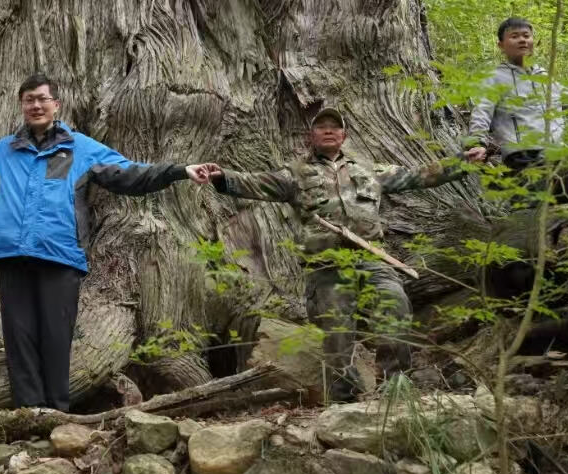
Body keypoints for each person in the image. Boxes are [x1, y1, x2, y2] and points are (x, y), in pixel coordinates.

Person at [0, 73, 200, 411]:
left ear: (56, 105)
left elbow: (132, 174)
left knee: (56, 338)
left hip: (60, 256)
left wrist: (179, 171)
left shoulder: (81, 148)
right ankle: (29, 414)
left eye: (42, 99)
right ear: (22, 106)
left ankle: (57, 413)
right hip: (12, 256)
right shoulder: (3, 151)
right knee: (20, 339)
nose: (36, 105)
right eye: (29, 100)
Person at [189, 108, 486, 401]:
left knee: (395, 304)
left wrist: (462, 162)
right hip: (326, 266)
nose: (328, 130)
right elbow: (255, 182)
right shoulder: (295, 173)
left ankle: (395, 388)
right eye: (321, 126)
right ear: (311, 135)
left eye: (335, 126)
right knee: (337, 327)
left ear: (344, 135)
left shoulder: (369, 169)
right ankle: (344, 396)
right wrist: (221, 176)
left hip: (372, 259)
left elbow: (418, 175)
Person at [468, 17, 568, 204]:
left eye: (526, 35)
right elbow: (482, 111)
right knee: (529, 218)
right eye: (515, 36)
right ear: (501, 45)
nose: (522, 40)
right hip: (523, 158)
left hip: (559, 157)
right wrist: (476, 142)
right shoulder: (494, 78)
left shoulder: (545, 77)